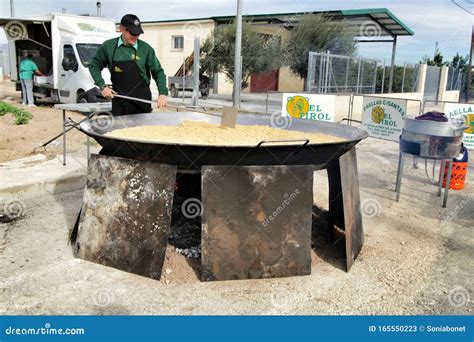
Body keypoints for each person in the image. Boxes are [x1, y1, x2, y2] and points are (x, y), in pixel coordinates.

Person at [89, 14, 168, 116]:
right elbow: (94, 66)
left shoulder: (146, 49)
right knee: (119, 131)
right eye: (132, 33)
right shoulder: (108, 47)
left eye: (138, 33)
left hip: (142, 103)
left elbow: (158, 72)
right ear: (121, 29)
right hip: (119, 102)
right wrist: (103, 86)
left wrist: (162, 93)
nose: (136, 36)